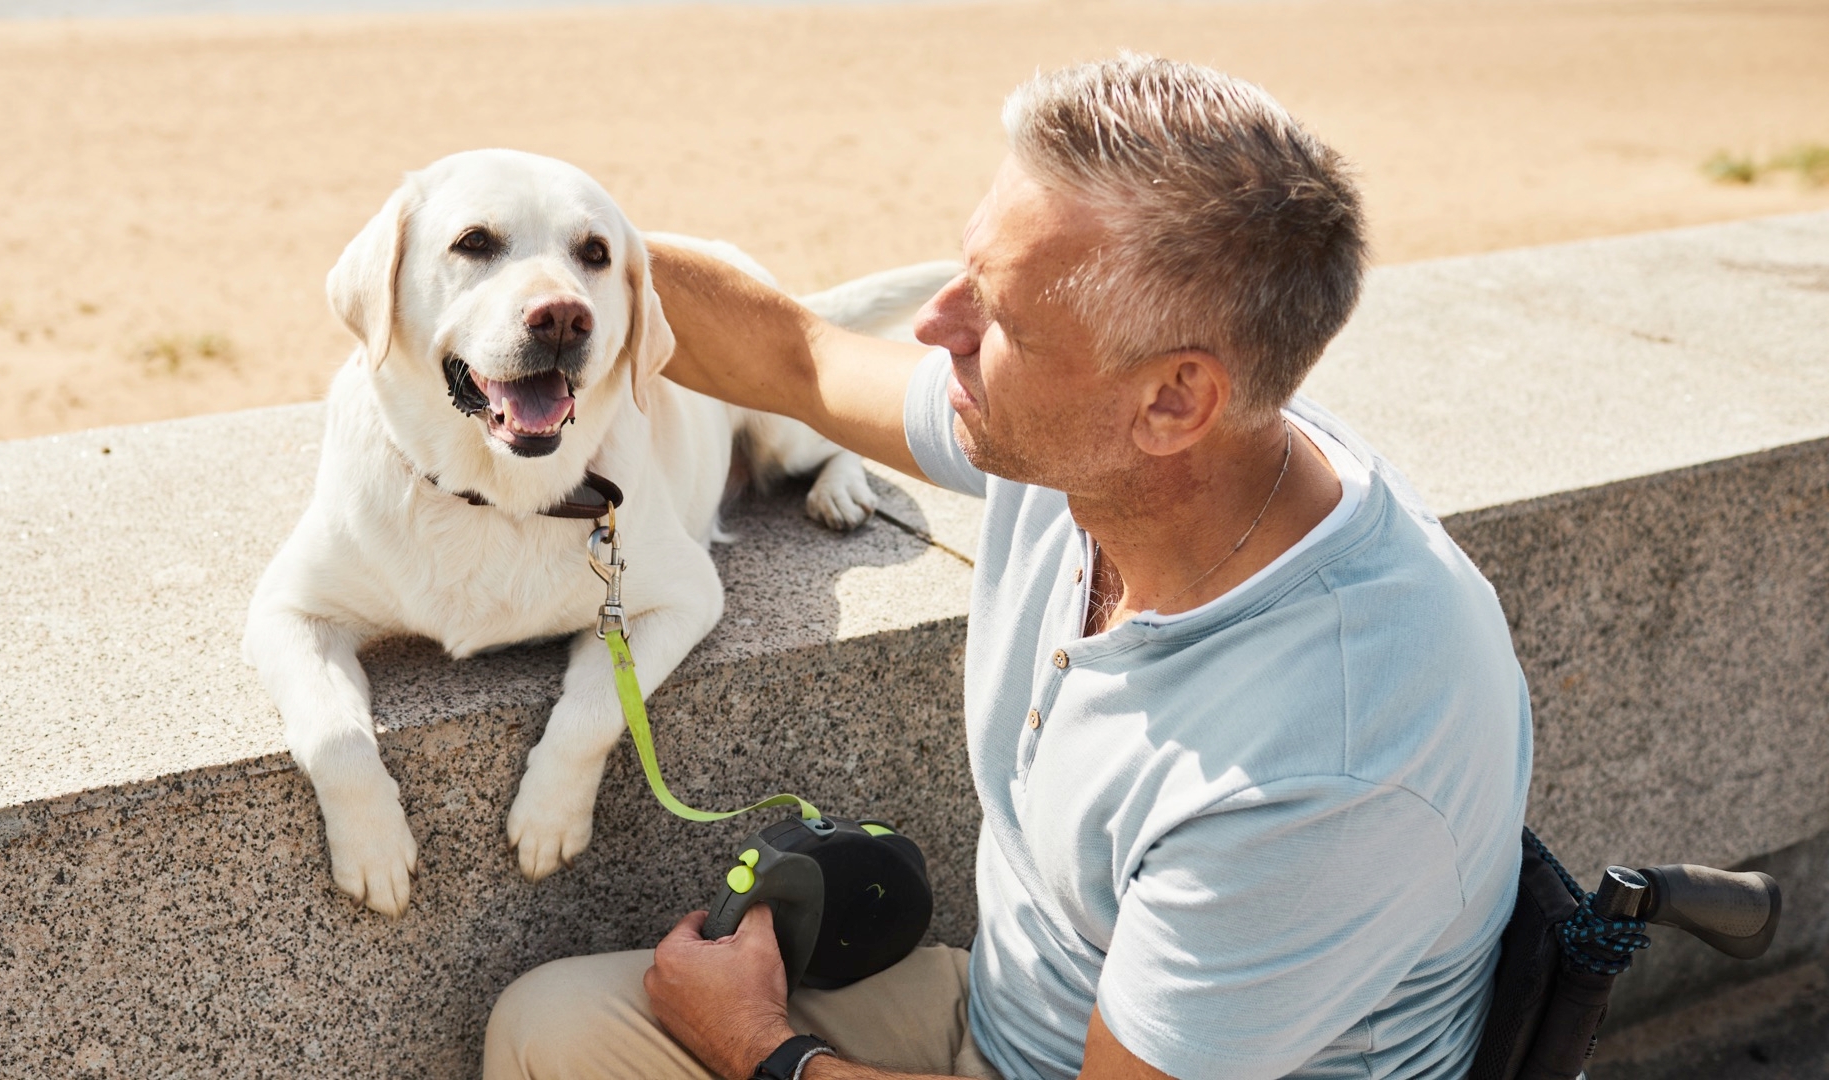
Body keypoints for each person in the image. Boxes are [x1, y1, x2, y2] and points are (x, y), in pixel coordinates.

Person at [484, 54, 1530, 1080]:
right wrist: (533, 257)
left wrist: (762, 1047)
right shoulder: (1114, 447)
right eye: (965, 274)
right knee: (552, 1027)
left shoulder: (1322, 764)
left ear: (1174, 400)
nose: (937, 327)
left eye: (1001, 319)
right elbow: (797, 358)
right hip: (1013, 1015)